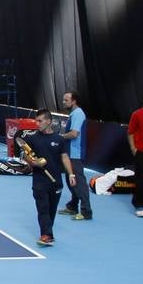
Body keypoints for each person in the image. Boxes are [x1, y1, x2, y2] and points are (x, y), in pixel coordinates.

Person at [17, 108, 76, 247]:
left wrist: (71, 174)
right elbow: (26, 154)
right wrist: (32, 162)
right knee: (43, 209)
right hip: (39, 182)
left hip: (56, 182)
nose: (37, 123)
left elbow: (65, 157)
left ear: (49, 121)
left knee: (51, 210)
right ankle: (46, 235)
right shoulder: (32, 138)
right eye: (36, 121)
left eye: (40, 121)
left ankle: (48, 232)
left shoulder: (59, 139)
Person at [58, 90, 92, 221]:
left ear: (74, 101)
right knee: (70, 180)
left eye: (66, 100)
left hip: (74, 154)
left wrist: (60, 137)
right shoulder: (74, 114)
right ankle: (73, 206)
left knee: (78, 182)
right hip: (70, 153)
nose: (63, 102)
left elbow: (74, 134)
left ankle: (86, 211)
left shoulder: (78, 114)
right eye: (63, 99)